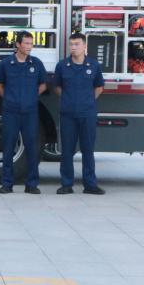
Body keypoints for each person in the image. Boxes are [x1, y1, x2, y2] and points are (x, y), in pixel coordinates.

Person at [0, 31, 48, 194]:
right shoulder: (6, 63)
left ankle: (31, 184)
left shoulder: (36, 63)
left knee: (32, 148)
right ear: (18, 44)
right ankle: (7, 184)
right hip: (11, 112)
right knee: (8, 147)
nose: (29, 47)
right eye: (26, 43)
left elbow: (43, 84)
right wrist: (9, 99)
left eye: (31, 44)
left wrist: (32, 97)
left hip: (30, 112)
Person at [54, 33, 106, 195]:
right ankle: (66, 184)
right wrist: (69, 101)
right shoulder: (62, 66)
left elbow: (99, 87)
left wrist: (87, 101)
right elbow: (57, 87)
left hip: (87, 114)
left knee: (88, 150)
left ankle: (90, 185)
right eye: (71, 44)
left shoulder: (94, 65)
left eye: (77, 44)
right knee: (67, 151)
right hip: (68, 115)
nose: (73, 47)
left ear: (84, 46)